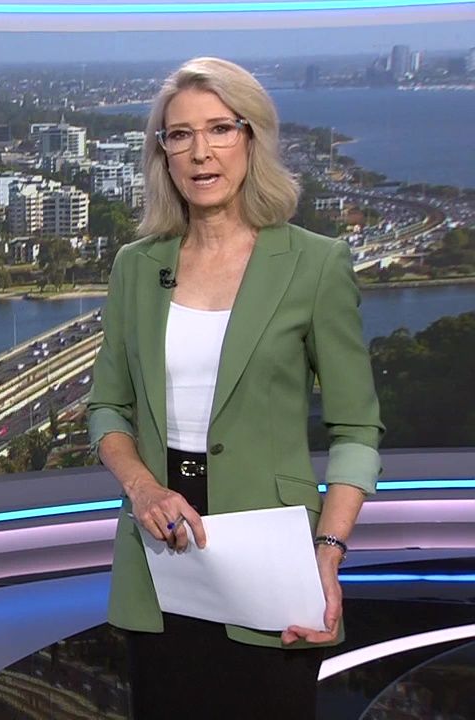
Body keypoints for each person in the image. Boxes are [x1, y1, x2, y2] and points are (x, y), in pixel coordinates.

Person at [86, 57, 384, 719]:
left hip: (275, 562)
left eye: (220, 128)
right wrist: (143, 490)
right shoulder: (136, 267)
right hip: (160, 547)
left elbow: (357, 430)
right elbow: (107, 406)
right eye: (180, 134)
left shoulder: (315, 264)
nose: (200, 152)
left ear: (252, 137)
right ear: (162, 152)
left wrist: (328, 552)